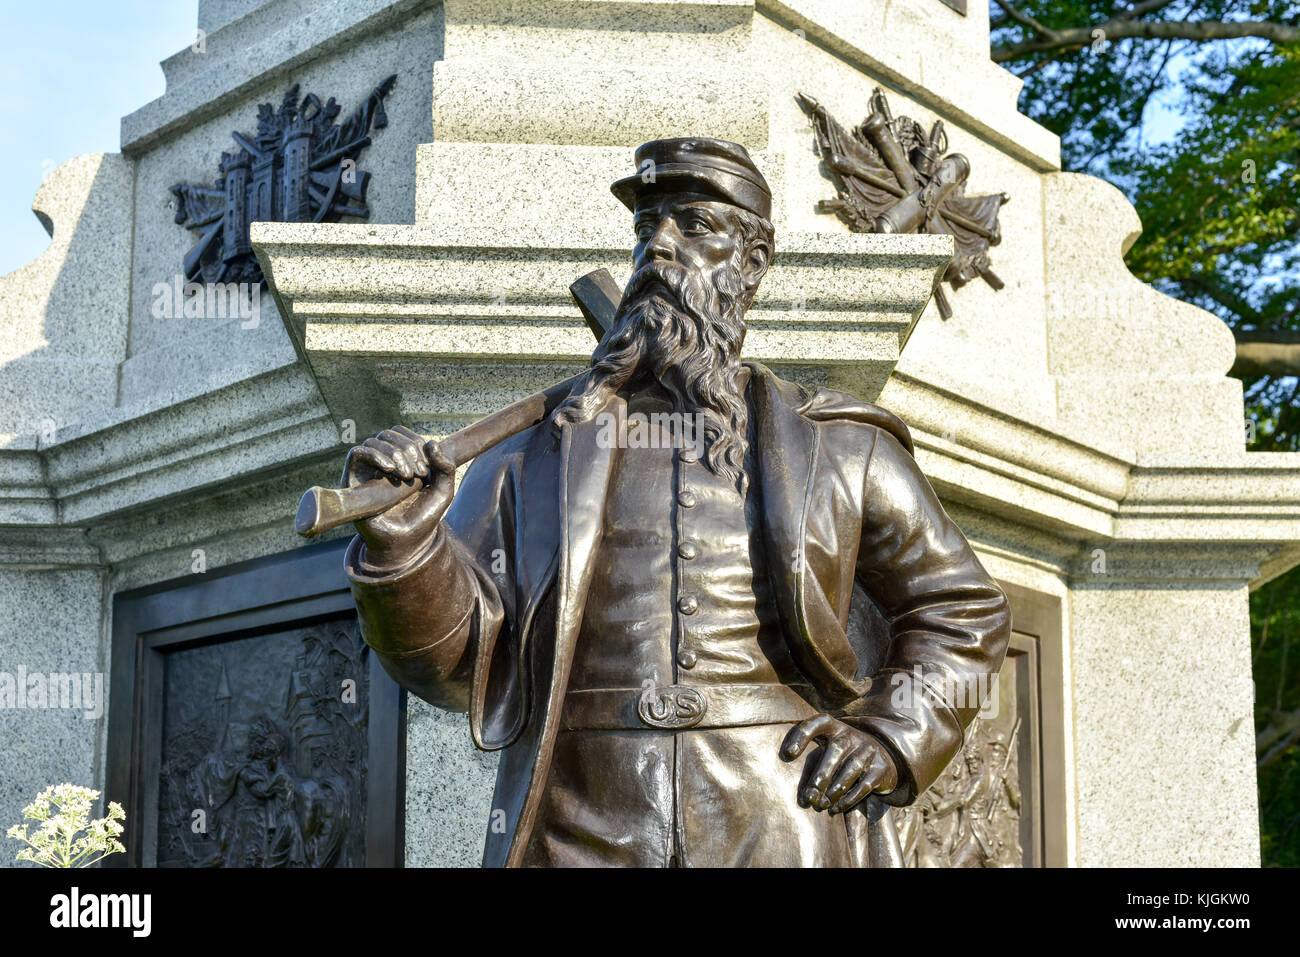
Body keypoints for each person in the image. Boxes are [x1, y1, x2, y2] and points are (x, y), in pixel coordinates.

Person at [341, 138, 1011, 867]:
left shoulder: (839, 449)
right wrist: (403, 549)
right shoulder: (528, 456)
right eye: (645, 229)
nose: (659, 246)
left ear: (751, 263)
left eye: (693, 224)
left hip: (779, 810)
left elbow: (962, 607)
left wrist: (892, 734)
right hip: (580, 814)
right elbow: (458, 662)